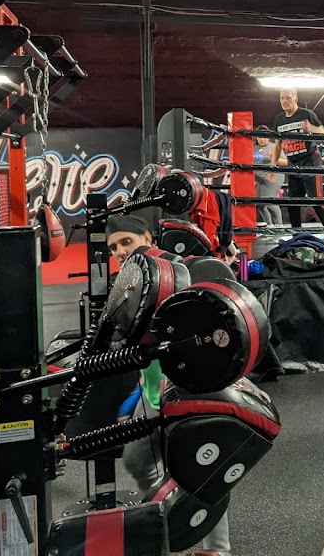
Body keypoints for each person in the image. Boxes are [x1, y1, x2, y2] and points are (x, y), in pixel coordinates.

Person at [105, 215, 232, 553]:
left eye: (127, 242)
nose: (120, 251)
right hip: (153, 391)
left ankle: (216, 548)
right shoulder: (130, 285)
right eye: (114, 247)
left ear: (148, 238)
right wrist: (135, 396)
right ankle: (168, 520)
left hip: (187, 389)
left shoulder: (180, 275)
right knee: (138, 461)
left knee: (200, 471)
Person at [270, 87, 324, 229]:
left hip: (310, 160)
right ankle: (296, 234)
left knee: (316, 199)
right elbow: (278, 145)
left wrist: (311, 128)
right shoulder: (279, 119)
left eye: (288, 98)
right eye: (282, 98)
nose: (284, 101)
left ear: (295, 99)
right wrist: (272, 167)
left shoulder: (306, 114)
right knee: (293, 202)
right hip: (293, 163)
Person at [254, 125, 283, 226]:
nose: (262, 140)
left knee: (269, 201)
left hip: (273, 176)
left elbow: (286, 162)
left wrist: (274, 158)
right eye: (259, 137)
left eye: (264, 137)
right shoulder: (253, 148)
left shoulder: (274, 147)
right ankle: (270, 225)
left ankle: (279, 225)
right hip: (260, 178)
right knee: (259, 203)